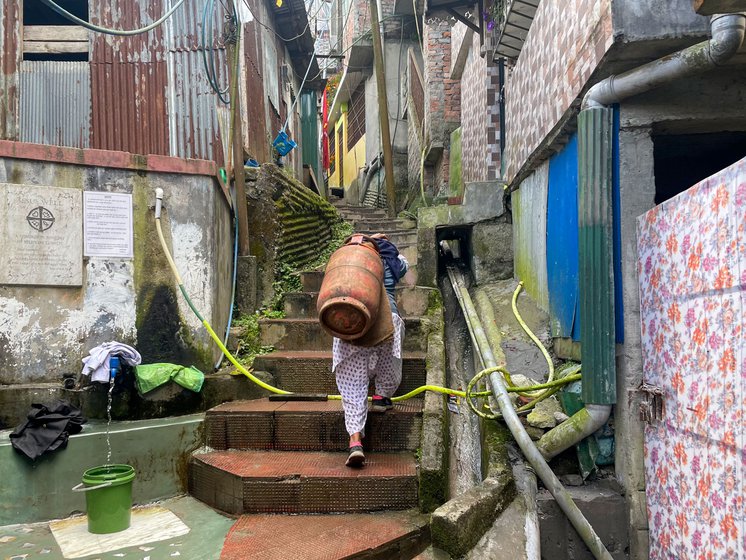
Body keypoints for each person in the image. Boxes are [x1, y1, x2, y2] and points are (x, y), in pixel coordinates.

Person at [332, 233, 409, 467]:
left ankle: (355, 442)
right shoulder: (388, 259)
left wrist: (366, 237)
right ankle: (381, 396)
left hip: (349, 323)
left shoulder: (346, 262)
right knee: (389, 362)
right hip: (387, 322)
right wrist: (386, 246)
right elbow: (403, 265)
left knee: (352, 382)